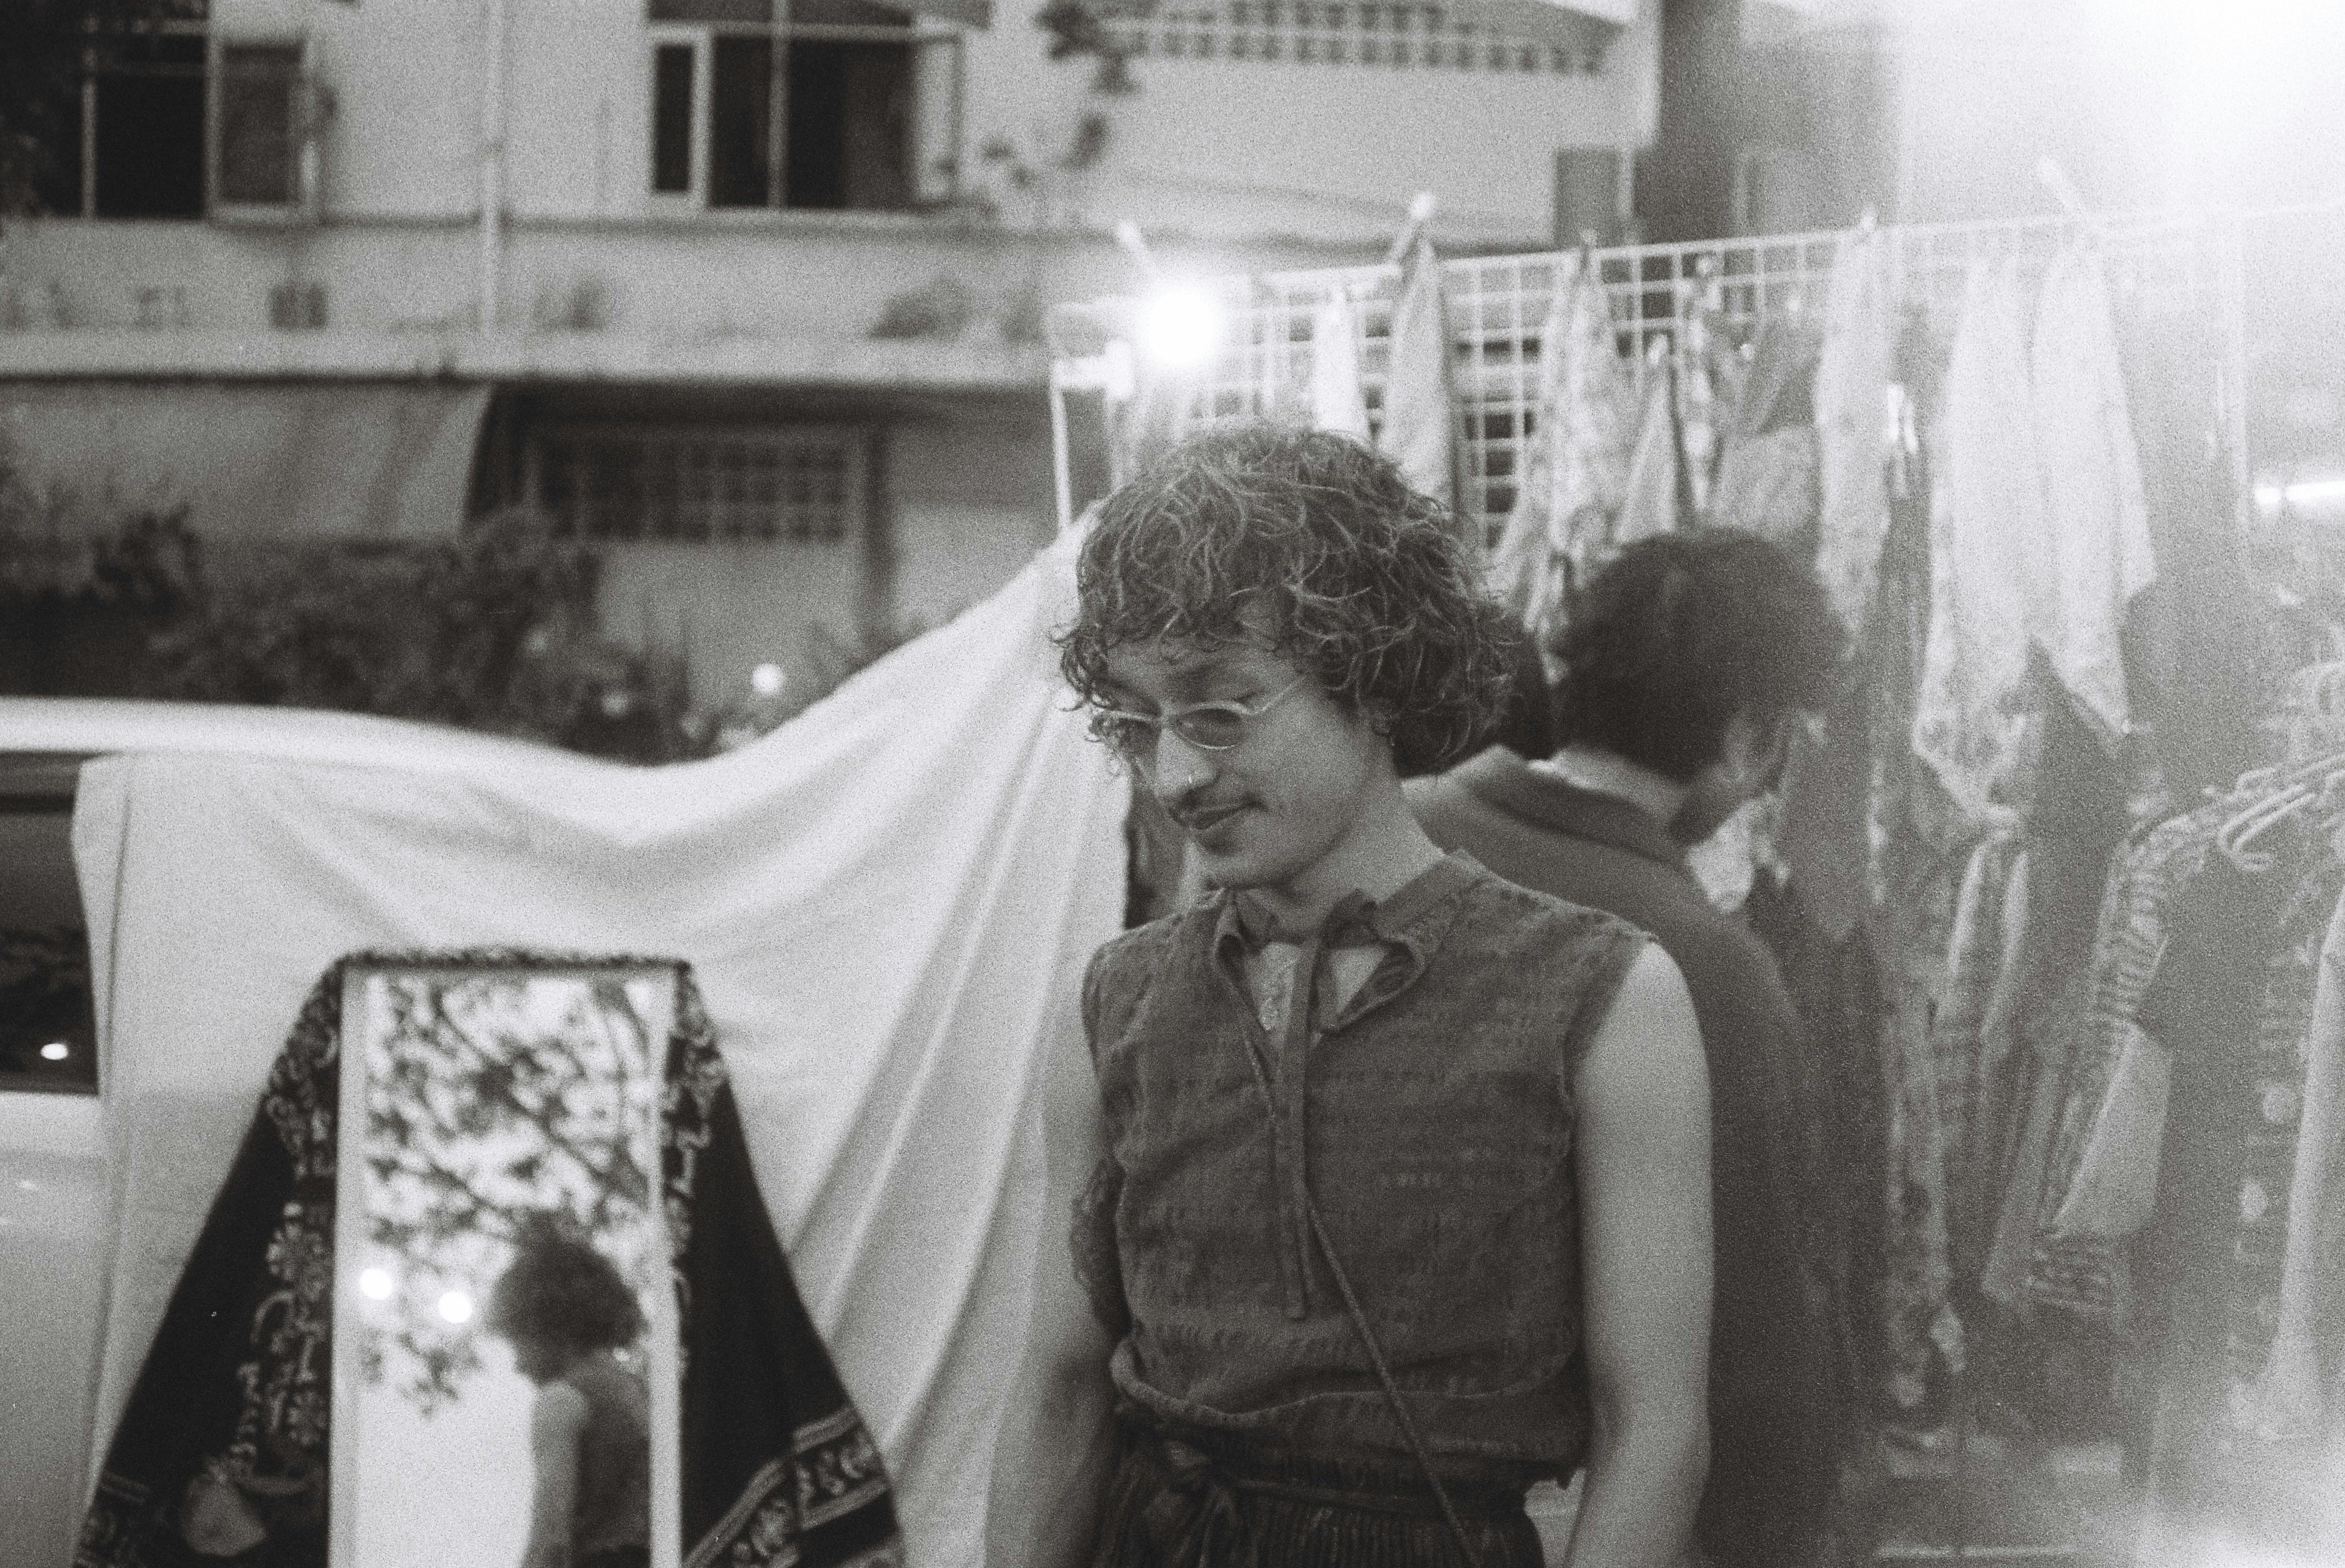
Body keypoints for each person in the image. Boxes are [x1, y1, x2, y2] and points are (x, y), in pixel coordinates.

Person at [988, 424, 1714, 1568]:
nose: (1176, 775)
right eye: (1138, 723)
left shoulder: (1606, 999)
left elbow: (1654, 1427)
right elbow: (1059, 1393)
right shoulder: (1114, 1006)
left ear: (1368, 674)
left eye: (1220, 710)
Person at [1409, 529, 1847, 1568]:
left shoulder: (1400, 834)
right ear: (1748, 735)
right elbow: (1752, 1353)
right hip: (1565, 1514)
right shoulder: (1702, 963)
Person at [484, 1223, 653, 1568]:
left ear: (549, 1328)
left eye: (518, 1342)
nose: (518, 1365)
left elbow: (549, 1543)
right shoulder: (644, 1392)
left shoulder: (562, 1400)